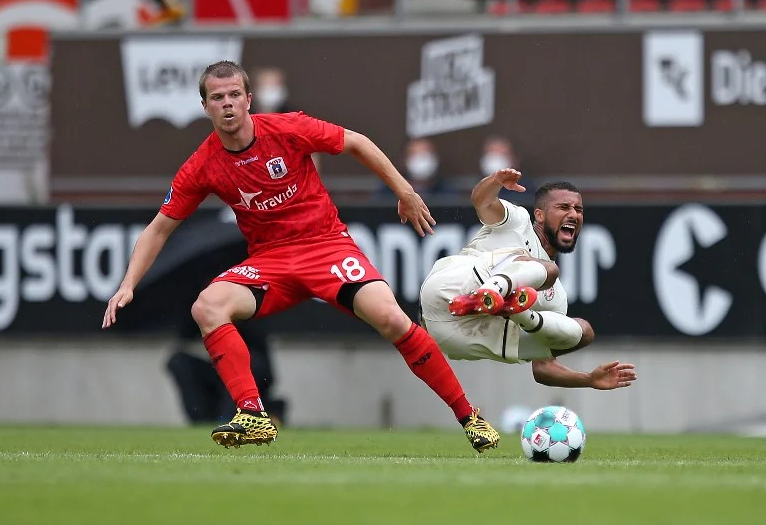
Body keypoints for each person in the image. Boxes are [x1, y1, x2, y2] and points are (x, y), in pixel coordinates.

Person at [102, 60, 500, 453]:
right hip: (270, 261)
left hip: (325, 245)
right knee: (207, 306)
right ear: (205, 106)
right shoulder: (203, 165)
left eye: (235, 95)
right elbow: (159, 228)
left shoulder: (287, 128)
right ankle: (253, 414)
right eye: (217, 97)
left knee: (392, 318)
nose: (227, 104)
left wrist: (405, 191)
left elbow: (357, 142)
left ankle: (469, 416)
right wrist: (127, 284)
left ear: (248, 99)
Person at [420, 169, 637, 390]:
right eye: (563, 207)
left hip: (457, 336)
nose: (574, 214)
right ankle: (492, 292)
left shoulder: (557, 299)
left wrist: (589, 380)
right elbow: (481, 201)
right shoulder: (518, 221)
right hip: (450, 289)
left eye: (578, 209)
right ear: (540, 215)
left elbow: (543, 368)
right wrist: (495, 181)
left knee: (583, 332)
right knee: (548, 270)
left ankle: (514, 310)